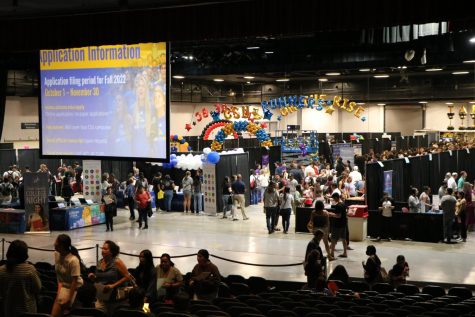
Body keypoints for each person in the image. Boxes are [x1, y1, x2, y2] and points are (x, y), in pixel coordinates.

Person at [88, 240, 134, 316]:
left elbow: (127, 277)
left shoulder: (117, 262)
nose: (102, 250)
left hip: (115, 297)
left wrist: (113, 286)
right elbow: (98, 279)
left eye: (105, 249)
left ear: (112, 251)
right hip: (102, 296)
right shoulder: (99, 262)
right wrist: (93, 278)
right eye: (102, 248)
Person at [0, 240, 42, 317]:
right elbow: (38, 288)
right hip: (27, 311)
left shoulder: (1, 270)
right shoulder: (30, 270)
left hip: (8, 310)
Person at [51, 234, 84, 317]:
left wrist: (69, 299)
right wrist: (59, 290)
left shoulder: (73, 260)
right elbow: (59, 276)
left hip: (75, 288)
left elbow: (74, 281)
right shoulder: (56, 254)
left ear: (61, 246)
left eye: (56, 242)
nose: (54, 243)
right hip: (63, 286)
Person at [328, 193, 348, 258]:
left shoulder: (338, 206)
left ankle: (332, 253)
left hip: (337, 225)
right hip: (343, 224)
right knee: (343, 239)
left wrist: (331, 214)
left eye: (334, 198)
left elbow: (338, 216)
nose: (333, 199)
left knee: (333, 239)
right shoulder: (343, 204)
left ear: (336, 197)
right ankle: (345, 253)